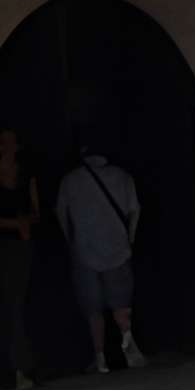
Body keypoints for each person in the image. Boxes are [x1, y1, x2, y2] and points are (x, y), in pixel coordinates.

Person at [55, 142, 145, 372]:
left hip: (85, 251)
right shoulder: (123, 177)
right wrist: (130, 240)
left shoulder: (70, 181)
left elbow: (62, 215)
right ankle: (128, 343)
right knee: (121, 304)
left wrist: (71, 243)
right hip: (118, 249)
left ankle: (100, 357)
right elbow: (134, 210)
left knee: (93, 308)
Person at [0, 126, 39, 390]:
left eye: (13, 142)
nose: (8, 148)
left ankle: (21, 367)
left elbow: (36, 212)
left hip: (20, 246)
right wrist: (14, 224)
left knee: (17, 304)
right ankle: (2, 370)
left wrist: (24, 224)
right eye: (4, 142)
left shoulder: (27, 176)